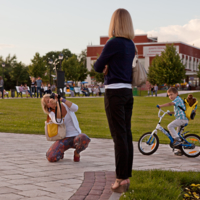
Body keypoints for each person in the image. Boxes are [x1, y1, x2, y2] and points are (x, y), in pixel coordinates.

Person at [94, 8, 135, 193]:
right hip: (127, 92)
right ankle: (126, 176)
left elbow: (97, 66)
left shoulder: (113, 42)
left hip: (114, 93)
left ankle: (120, 179)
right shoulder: (131, 44)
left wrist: (106, 65)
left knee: (118, 136)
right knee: (126, 134)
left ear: (114, 23)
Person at [41, 94, 91, 162]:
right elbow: (58, 121)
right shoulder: (51, 113)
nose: (51, 101)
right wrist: (57, 105)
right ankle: (60, 152)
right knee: (51, 157)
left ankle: (77, 152)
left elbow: (75, 108)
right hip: (63, 138)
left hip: (75, 136)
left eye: (51, 98)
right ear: (47, 106)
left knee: (84, 138)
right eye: (48, 101)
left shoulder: (65, 105)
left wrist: (61, 99)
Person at [157, 87, 188, 156]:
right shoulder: (177, 100)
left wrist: (161, 106)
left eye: (171, 94)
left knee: (170, 126)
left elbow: (169, 104)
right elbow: (179, 110)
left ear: (176, 94)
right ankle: (180, 151)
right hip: (182, 119)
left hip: (181, 119)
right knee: (177, 134)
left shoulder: (177, 99)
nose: (170, 96)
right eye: (169, 95)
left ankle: (176, 140)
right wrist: (171, 112)